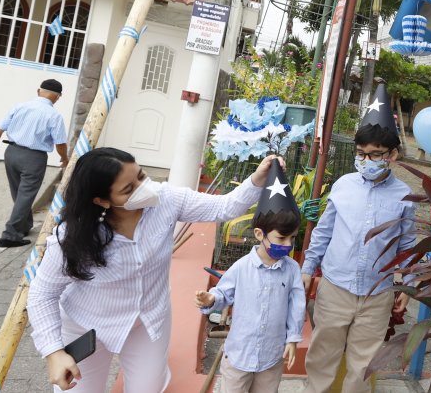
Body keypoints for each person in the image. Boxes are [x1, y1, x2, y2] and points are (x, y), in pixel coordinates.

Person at [27, 147, 279, 392]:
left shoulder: (166, 199)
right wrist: (54, 351)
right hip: (86, 327)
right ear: (102, 200)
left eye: (141, 176)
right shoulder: (73, 237)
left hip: (147, 321)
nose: (142, 189)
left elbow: (225, 207)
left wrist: (256, 179)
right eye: (128, 190)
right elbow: (42, 293)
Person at [300, 83, 417, 393]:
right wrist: (308, 269)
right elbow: (324, 231)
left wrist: (406, 284)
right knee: (321, 357)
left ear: (393, 154)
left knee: (363, 367)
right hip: (335, 288)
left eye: (376, 154)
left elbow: (406, 245)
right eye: (361, 154)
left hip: (377, 296)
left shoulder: (405, 197)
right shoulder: (343, 186)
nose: (367, 160)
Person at [195, 158, 306, 393]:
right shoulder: (242, 267)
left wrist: (293, 338)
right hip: (239, 355)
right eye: (281, 238)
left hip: (271, 356)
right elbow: (224, 292)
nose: (287, 245)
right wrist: (211, 299)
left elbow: (297, 304)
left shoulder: (292, 269)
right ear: (259, 234)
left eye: (292, 238)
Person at [0, 79, 69, 247]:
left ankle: (24, 225)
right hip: (34, 158)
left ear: (38, 91)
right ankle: (10, 235)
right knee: (25, 195)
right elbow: (60, 143)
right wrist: (64, 158)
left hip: (12, 153)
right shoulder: (54, 116)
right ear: (58, 97)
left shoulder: (19, 106)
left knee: (19, 193)